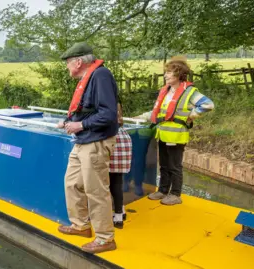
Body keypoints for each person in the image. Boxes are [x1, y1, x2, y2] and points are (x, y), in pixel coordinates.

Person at [56, 42, 119, 254]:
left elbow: (108, 114)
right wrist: (67, 120)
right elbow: (85, 108)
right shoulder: (88, 77)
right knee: (72, 183)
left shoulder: (100, 76)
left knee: (96, 190)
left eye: (68, 63)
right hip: (83, 140)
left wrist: (80, 125)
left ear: (79, 61)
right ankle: (80, 225)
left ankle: (105, 238)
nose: (67, 67)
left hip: (96, 141)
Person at [134, 57, 214, 205]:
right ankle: (163, 191)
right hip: (163, 134)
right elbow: (160, 112)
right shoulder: (166, 91)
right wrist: (143, 116)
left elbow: (208, 105)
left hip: (176, 136)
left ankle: (176, 194)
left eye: (169, 73)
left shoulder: (190, 92)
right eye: (166, 73)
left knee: (174, 166)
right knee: (163, 164)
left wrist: (192, 115)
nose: (165, 76)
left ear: (178, 74)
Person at [109, 102, 132, 229]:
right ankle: (120, 212)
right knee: (117, 184)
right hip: (122, 144)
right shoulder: (117, 108)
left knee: (109, 186)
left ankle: (117, 218)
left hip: (113, 144)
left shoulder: (105, 107)